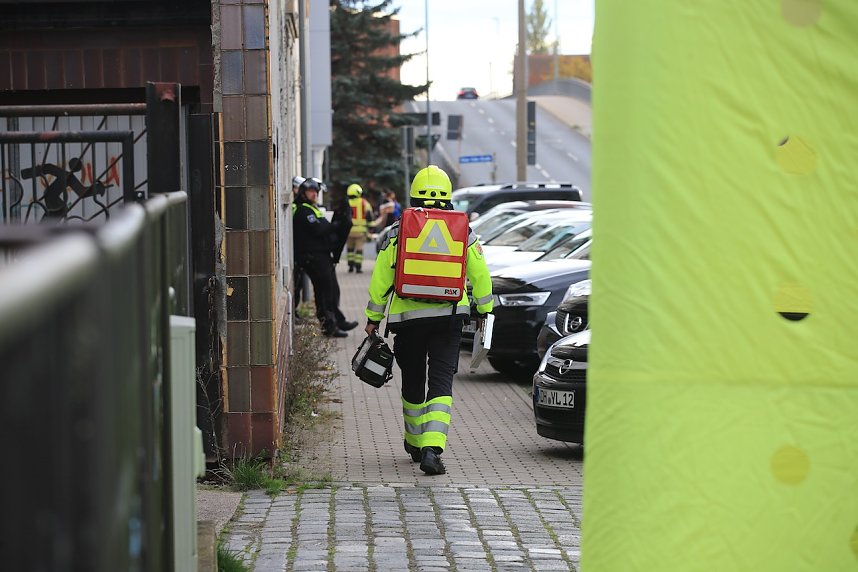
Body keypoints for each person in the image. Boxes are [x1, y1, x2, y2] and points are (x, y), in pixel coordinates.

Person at [363, 165, 494, 475]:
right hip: (449, 319)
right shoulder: (464, 231)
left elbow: (381, 279)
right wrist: (484, 309)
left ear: (413, 195)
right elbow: (480, 275)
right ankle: (433, 452)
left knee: (413, 382)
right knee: (441, 383)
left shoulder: (398, 230)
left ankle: (414, 442)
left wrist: (372, 318)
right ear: (447, 198)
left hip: (407, 321)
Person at [293, 177, 358, 337]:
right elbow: (321, 229)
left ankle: (338, 320)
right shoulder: (303, 210)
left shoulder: (311, 208)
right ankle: (329, 326)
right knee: (324, 292)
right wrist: (337, 224)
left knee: (332, 290)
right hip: (313, 257)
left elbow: (324, 228)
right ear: (303, 193)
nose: (314, 194)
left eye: (316, 191)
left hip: (322, 256)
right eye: (311, 191)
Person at [345, 183, 374, 273]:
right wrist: (371, 228)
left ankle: (350, 266)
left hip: (349, 231)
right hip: (360, 232)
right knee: (359, 249)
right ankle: (358, 267)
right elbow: (369, 216)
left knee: (350, 249)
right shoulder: (364, 203)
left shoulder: (346, 203)